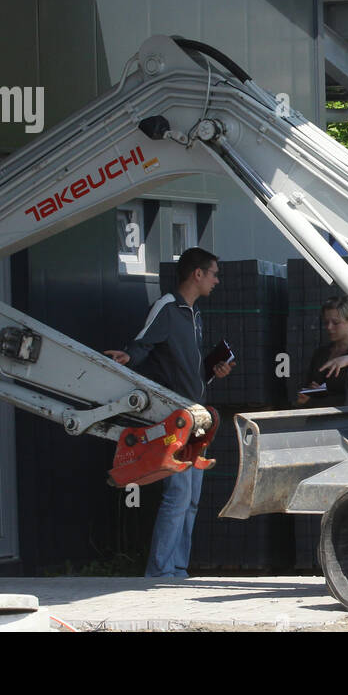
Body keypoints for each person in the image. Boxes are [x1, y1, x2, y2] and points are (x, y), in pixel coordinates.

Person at [104, 247, 231, 578]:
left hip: (197, 418)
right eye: (214, 273)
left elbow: (184, 369)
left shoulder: (194, 314)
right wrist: (128, 358)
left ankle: (177, 569)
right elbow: (143, 344)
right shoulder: (166, 306)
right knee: (178, 494)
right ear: (197, 274)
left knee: (191, 500)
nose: (217, 280)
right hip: (173, 417)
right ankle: (159, 573)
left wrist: (210, 373)